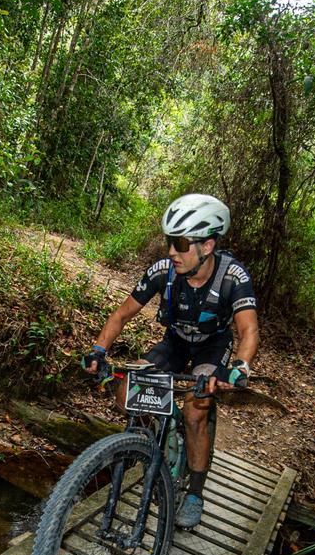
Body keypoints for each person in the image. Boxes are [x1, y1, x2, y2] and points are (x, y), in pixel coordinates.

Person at [82, 193, 259, 529]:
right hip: (175, 342)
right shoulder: (163, 271)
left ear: (207, 246)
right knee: (126, 395)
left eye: (179, 244)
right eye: (169, 242)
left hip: (213, 347)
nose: (171, 252)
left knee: (195, 411)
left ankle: (194, 492)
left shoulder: (233, 276)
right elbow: (122, 314)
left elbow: (248, 330)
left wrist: (239, 367)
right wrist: (98, 350)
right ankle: (165, 434)